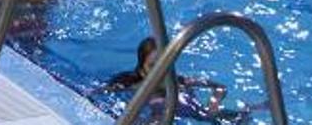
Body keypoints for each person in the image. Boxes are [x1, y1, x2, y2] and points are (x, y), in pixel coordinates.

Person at [96, 37, 238, 122]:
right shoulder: (128, 82)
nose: (160, 72)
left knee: (237, 118)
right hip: (157, 118)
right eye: (152, 66)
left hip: (191, 115)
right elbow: (96, 95)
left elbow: (219, 87)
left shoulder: (178, 81)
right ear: (141, 67)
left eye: (164, 64)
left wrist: (213, 104)